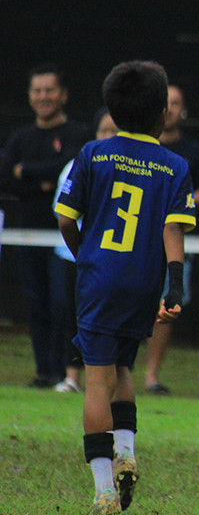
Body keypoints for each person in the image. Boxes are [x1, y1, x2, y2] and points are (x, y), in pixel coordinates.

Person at [55, 60, 196, 515]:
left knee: (97, 379)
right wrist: (173, 286)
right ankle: (127, 451)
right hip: (143, 283)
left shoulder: (93, 154)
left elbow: (65, 217)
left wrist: (85, 255)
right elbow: (173, 232)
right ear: (163, 114)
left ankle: (103, 491)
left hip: (100, 279)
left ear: (111, 113)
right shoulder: (174, 166)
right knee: (123, 368)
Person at [0, 63, 91, 388]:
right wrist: (39, 183)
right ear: (29, 96)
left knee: (62, 303)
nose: (43, 97)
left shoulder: (77, 135)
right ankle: (44, 372)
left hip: (64, 238)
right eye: (37, 90)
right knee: (36, 303)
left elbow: (66, 171)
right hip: (26, 232)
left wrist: (27, 173)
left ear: (63, 94)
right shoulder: (21, 137)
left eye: (49, 90)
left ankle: (66, 372)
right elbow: (6, 176)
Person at [143, 84, 199, 395]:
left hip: (173, 241)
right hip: (138, 240)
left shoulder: (195, 153)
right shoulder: (140, 149)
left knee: (165, 307)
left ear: (183, 110)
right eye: (165, 103)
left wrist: (174, 201)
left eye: (176, 103)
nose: (170, 109)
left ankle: (151, 375)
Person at [51, 108, 121, 395]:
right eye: (103, 130)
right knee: (72, 315)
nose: (108, 137)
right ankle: (72, 377)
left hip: (113, 260)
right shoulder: (79, 165)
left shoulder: (133, 171)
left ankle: (109, 378)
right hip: (75, 256)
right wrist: (83, 252)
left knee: (109, 322)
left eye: (114, 131)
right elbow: (64, 216)